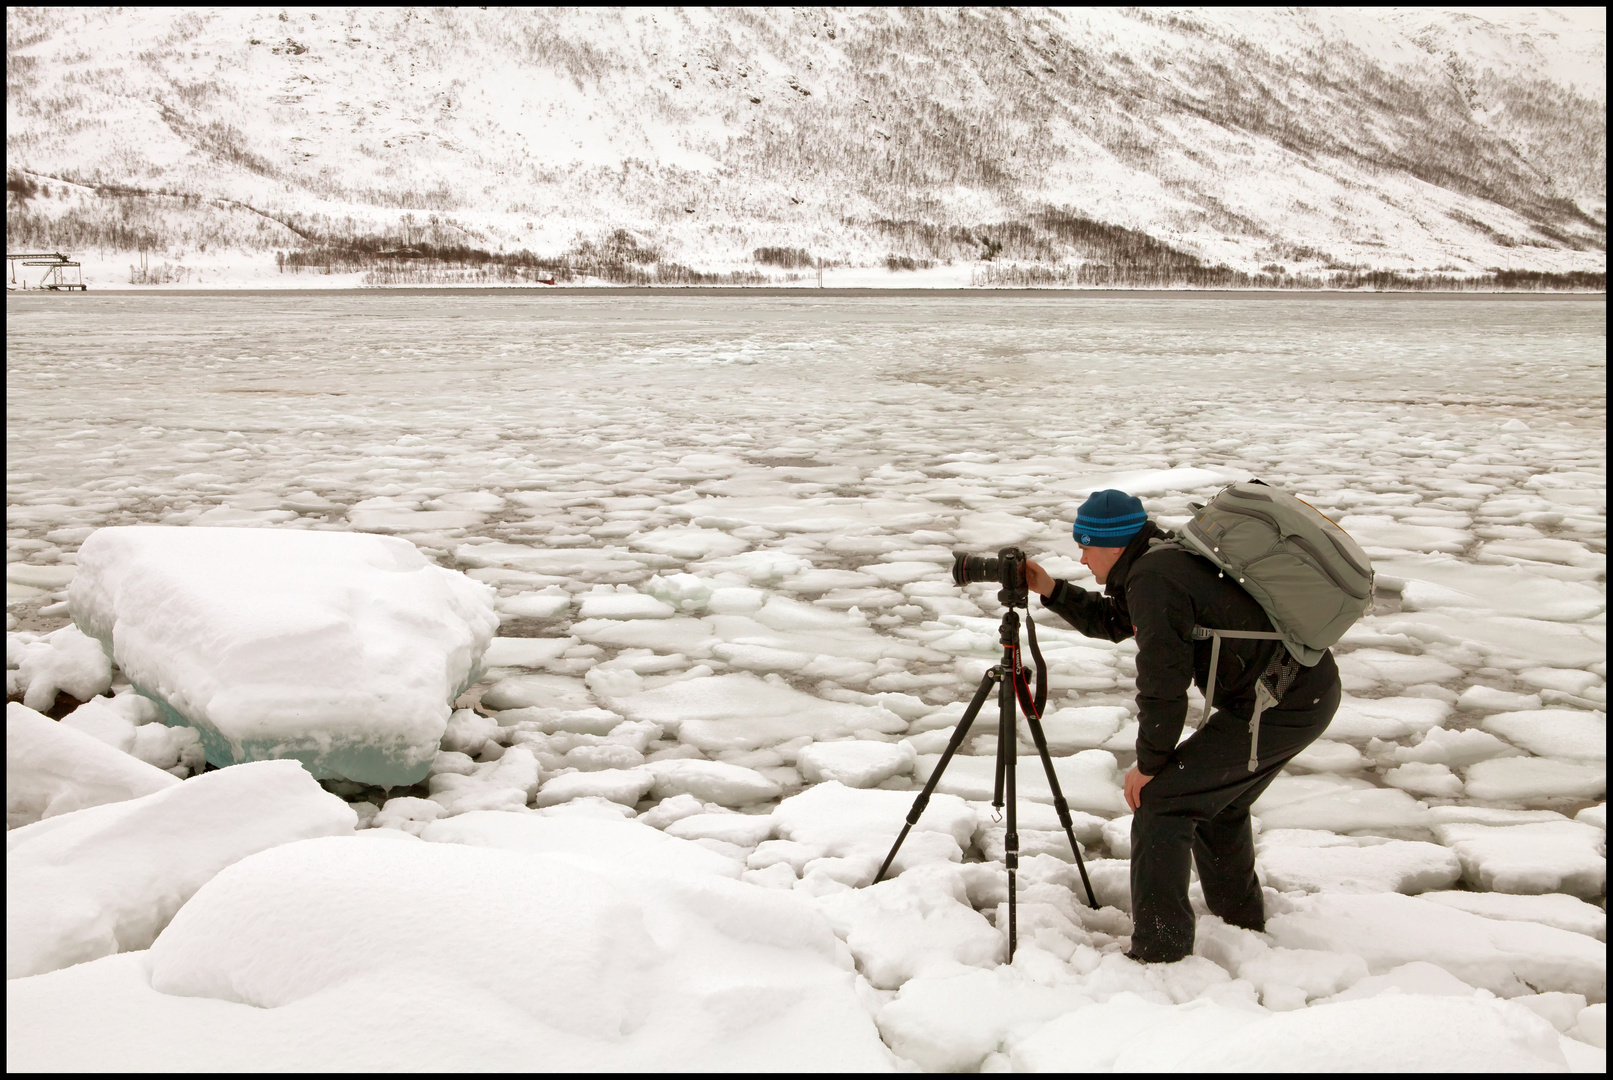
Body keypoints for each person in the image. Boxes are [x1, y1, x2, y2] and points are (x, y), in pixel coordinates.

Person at [1023, 488, 1341, 963]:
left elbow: (1163, 686)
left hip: (1281, 703)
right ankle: (1240, 922)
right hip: (1293, 694)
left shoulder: (1155, 578)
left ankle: (1161, 949)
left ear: (1112, 544)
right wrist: (1051, 590)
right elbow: (1116, 621)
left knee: (1163, 803)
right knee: (1217, 803)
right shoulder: (1157, 559)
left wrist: (1151, 765)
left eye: (1085, 544)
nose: (1082, 556)